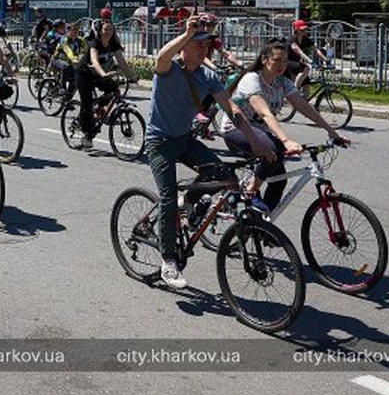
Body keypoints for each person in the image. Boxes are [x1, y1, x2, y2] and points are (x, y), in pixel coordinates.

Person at [146, 15, 275, 289]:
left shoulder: (208, 77)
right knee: (168, 199)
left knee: (222, 174)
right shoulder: (169, 68)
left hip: (184, 138)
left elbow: (233, 110)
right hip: (159, 142)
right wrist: (186, 32)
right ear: (184, 46)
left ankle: (189, 202)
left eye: (207, 45)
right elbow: (160, 56)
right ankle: (168, 260)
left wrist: (255, 141)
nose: (204, 49)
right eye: (198, 44)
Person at [218, 40, 348, 213]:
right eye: (277, 60)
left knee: (279, 179)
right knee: (273, 147)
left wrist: (332, 132)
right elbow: (265, 113)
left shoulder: (282, 82)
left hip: (260, 132)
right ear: (264, 60)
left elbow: (304, 107)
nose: (282, 65)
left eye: (285, 61)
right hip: (237, 129)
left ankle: (263, 223)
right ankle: (251, 191)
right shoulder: (252, 79)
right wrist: (286, 140)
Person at [76, 19, 136, 149]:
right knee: (87, 103)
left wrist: (132, 76)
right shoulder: (94, 43)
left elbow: (122, 62)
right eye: (106, 30)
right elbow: (94, 61)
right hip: (85, 74)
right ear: (100, 31)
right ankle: (87, 135)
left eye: (111, 29)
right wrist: (102, 73)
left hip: (100, 75)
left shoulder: (113, 43)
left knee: (114, 89)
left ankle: (100, 110)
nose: (109, 32)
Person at [50, 20, 86, 99]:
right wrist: (74, 59)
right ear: (68, 31)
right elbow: (67, 50)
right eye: (73, 30)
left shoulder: (79, 40)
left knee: (75, 80)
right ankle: (62, 87)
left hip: (71, 62)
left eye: (77, 30)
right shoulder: (64, 39)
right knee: (66, 66)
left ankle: (67, 100)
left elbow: (86, 49)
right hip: (57, 59)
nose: (76, 32)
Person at [287, 20, 325, 89]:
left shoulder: (305, 39)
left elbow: (315, 50)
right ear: (296, 29)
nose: (304, 31)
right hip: (288, 63)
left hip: (297, 64)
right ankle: (294, 90)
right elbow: (299, 52)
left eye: (305, 29)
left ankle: (303, 99)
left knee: (306, 85)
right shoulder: (291, 38)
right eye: (302, 30)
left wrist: (326, 60)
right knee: (306, 68)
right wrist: (311, 61)